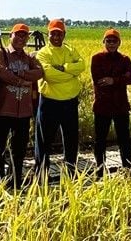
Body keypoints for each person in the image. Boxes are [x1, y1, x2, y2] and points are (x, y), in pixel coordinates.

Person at [0, 23, 44, 189]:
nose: (20, 39)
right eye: (17, 35)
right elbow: (1, 71)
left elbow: (39, 73)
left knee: (18, 151)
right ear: (10, 36)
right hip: (2, 110)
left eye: (24, 36)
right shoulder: (1, 53)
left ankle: (15, 183)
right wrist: (22, 81)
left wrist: (20, 74)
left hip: (23, 112)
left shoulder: (29, 57)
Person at [34, 19, 85, 177]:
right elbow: (49, 75)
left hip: (70, 102)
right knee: (44, 142)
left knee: (71, 140)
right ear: (48, 34)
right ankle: (41, 176)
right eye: (53, 33)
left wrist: (64, 67)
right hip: (49, 102)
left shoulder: (70, 49)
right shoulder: (43, 53)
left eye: (59, 33)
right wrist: (71, 74)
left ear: (64, 34)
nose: (56, 36)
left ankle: (70, 173)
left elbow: (82, 65)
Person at [90, 28, 131, 177]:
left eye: (114, 41)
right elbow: (98, 80)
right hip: (102, 105)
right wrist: (121, 77)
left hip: (120, 106)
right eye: (108, 41)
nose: (111, 44)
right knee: (100, 140)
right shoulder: (96, 58)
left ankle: (128, 169)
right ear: (104, 42)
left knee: (124, 139)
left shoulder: (124, 59)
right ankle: (99, 169)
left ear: (119, 43)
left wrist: (113, 80)